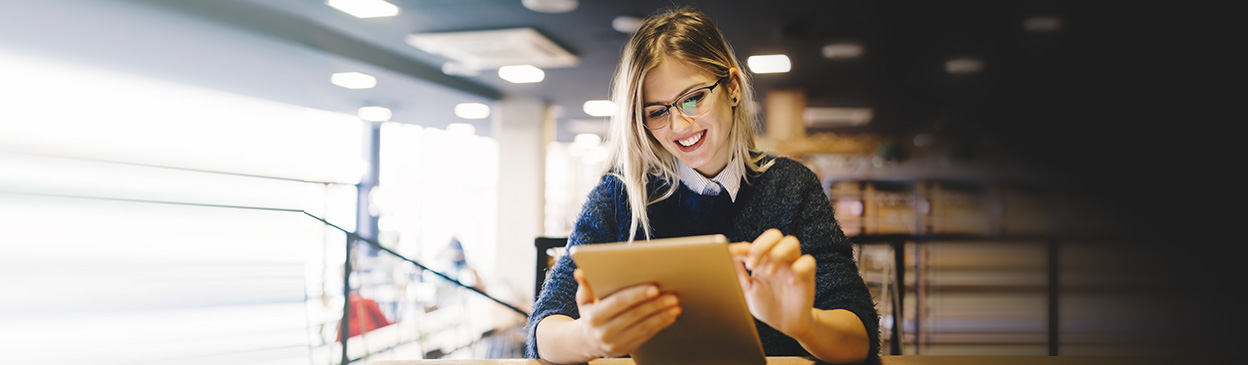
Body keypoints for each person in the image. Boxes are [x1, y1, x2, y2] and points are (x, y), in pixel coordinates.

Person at [526, 6, 879, 364]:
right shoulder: (620, 194)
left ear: (733, 88)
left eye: (693, 98)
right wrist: (587, 338)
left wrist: (804, 324)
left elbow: (858, 338)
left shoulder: (791, 186)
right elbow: (545, 328)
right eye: (657, 111)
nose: (679, 126)